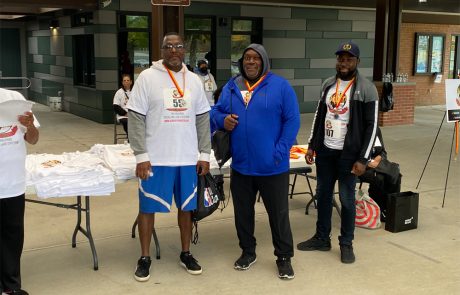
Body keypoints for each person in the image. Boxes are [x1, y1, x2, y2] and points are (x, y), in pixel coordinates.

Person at [126, 32, 211, 282]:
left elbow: (203, 119)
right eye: (168, 47)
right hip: (156, 158)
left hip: (186, 158)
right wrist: (141, 155)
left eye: (178, 46)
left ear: (184, 50)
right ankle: (144, 257)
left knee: (187, 208)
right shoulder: (147, 78)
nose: (174, 50)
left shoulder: (194, 80)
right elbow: (136, 118)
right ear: (161, 51)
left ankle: (186, 252)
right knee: (147, 208)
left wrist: (204, 154)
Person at [211, 44, 300, 280]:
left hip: (272, 166)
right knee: (243, 213)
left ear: (264, 61)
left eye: (255, 58)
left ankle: (283, 257)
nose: (251, 62)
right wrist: (223, 120)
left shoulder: (280, 86)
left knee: (278, 214)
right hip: (242, 165)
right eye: (247, 58)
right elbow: (214, 112)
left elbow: (292, 121)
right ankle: (248, 252)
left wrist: (279, 151)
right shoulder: (233, 86)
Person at [296, 41, 379, 264]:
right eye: (341, 58)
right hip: (325, 151)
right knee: (322, 196)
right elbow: (319, 116)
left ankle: (346, 243)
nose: (343, 63)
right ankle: (322, 238)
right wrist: (312, 144)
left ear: (357, 62)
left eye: (349, 59)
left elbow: (372, 127)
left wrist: (363, 158)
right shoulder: (328, 84)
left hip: (349, 156)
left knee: (347, 200)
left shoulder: (367, 89)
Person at [0, 88, 40, 295]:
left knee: (13, 239)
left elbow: (33, 139)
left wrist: (30, 125)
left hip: (13, 185)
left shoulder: (15, 99)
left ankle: (11, 287)